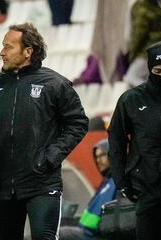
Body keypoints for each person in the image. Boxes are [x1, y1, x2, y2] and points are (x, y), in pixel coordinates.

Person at [0, 23, 89, 240]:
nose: (1, 52)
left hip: (42, 183)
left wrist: (50, 157)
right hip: (3, 186)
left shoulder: (55, 84)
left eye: (8, 47)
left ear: (28, 51)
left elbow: (78, 123)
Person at [108, 41, 161, 240]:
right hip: (146, 188)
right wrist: (121, 181)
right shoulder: (131, 100)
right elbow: (116, 140)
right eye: (158, 70)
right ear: (149, 68)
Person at [59, 139, 116, 240]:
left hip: (95, 235)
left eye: (102, 155)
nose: (98, 160)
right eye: (96, 157)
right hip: (87, 232)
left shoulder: (115, 182)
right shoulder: (106, 182)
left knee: (58, 234)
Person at [123, 0, 161, 87]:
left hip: (146, 52)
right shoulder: (156, 6)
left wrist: (132, 54)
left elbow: (139, 34)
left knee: (131, 77)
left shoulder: (141, 6)